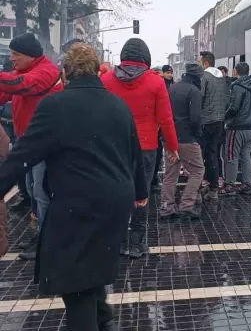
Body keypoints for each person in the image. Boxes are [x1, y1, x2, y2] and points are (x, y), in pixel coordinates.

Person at [0, 43, 147, 330]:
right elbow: (134, 151)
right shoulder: (118, 104)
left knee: (76, 284)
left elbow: (24, 155)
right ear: (96, 71)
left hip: (77, 204)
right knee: (92, 272)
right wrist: (141, 191)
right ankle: (104, 324)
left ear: (66, 74)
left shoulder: (55, 105)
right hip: (116, 201)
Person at [101, 38, 179, 259]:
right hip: (145, 146)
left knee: (115, 191)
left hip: (113, 145)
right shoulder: (156, 83)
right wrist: (172, 147)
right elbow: (166, 119)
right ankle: (137, 242)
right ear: (146, 58)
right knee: (141, 193)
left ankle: (117, 241)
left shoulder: (106, 80)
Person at [0, 33, 63, 260]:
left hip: (44, 144)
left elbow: (22, 85)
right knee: (31, 188)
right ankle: (40, 231)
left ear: (29, 55)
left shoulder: (46, 71)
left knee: (42, 191)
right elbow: (5, 90)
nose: (12, 58)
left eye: (16, 54)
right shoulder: (22, 71)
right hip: (27, 142)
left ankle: (46, 238)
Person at [160, 63, 205, 219]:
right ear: (197, 77)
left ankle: (167, 208)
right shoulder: (194, 91)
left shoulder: (172, 88)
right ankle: (186, 205)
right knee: (198, 171)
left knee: (170, 174)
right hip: (186, 138)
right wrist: (197, 135)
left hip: (169, 137)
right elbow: (195, 118)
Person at [223, 62, 251, 194]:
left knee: (232, 155)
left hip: (237, 126)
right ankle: (247, 184)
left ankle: (229, 184)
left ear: (236, 71)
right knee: (246, 155)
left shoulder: (237, 86)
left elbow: (234, 107)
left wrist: (225, 117)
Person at [199, 51, 228, 200]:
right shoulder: (222, 77)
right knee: (214, 154)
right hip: (219, 121)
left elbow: (200, 97)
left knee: (202, 155)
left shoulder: (205, 76)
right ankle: (214, 187)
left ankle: (200, 186)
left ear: (205, 63)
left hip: (206, 121)